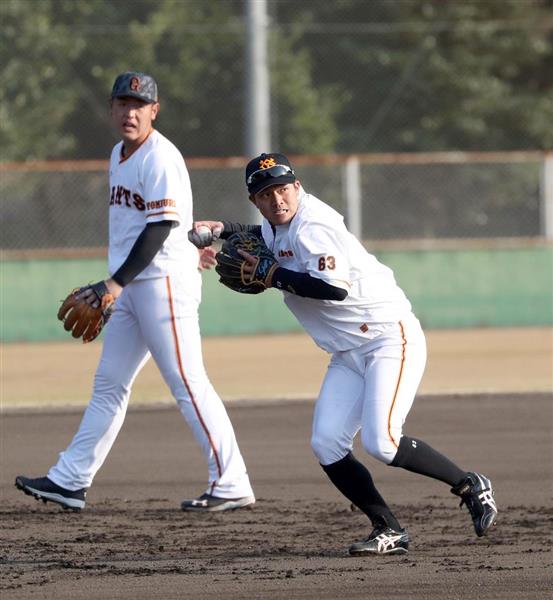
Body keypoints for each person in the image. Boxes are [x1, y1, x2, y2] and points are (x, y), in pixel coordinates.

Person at [189, 152, 498, 555]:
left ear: (297, 187)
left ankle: (470, 484)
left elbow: (334, 289)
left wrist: (272, 275)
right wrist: (223, 229)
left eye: (283, 189)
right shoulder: (275, 223)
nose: (277, 200)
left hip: (389, 338)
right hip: (348, 352)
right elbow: (263, 235)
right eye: (266, 194)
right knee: (327, 443)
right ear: (255, 201)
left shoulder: (316, 226)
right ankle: (388, 529)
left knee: (383, 442)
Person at [15, 72, 254, 513]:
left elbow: (161, 225)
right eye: (123, 103)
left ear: (154, 111)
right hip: (131, 284)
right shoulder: (118, 154)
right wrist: (125, 280)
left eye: (139, 105)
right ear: (111, 109)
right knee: (109, 385)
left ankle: (231, 480)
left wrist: (114, 283)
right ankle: (70, 480)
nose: (130, 112)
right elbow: (165, 220)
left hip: (161, 283)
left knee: (186, 381)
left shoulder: (160, 157)